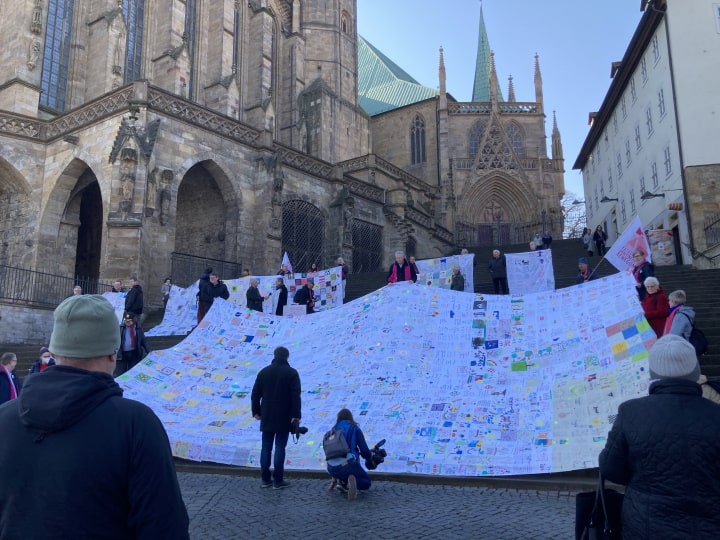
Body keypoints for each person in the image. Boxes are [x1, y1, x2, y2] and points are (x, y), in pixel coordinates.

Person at [0, 294, 189, 538]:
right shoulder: (136, 424)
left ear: (54, 350)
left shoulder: (3, 418)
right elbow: (165, 527)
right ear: (113, 353)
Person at [599, 335, 720, 539]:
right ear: (695, 370)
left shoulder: (631, 412)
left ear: (654, 371)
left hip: (644, 526)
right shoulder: (716, 414)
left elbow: (611, 470)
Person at [251, 346, 301, 490]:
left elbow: (255, 394)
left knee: (265, 447)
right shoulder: (291, 373)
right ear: (287, 356)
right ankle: (278, 480)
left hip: (266, 415)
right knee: (280, 447)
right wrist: (296, 415)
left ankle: (265, 479)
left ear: (274, 355)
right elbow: (295, 396)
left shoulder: (263, 372)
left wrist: (256, 411)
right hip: (284, 416)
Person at [326, 408, 374, 501]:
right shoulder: (354, 428)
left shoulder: (332, 430)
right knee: (366, 483)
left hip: (331, 467)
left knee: (341, 469)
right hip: (348, 463)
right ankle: (350, 480)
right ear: (350, 417)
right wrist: (369, 457)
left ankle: (341, 482)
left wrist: (333, 479)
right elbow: (364, 450)